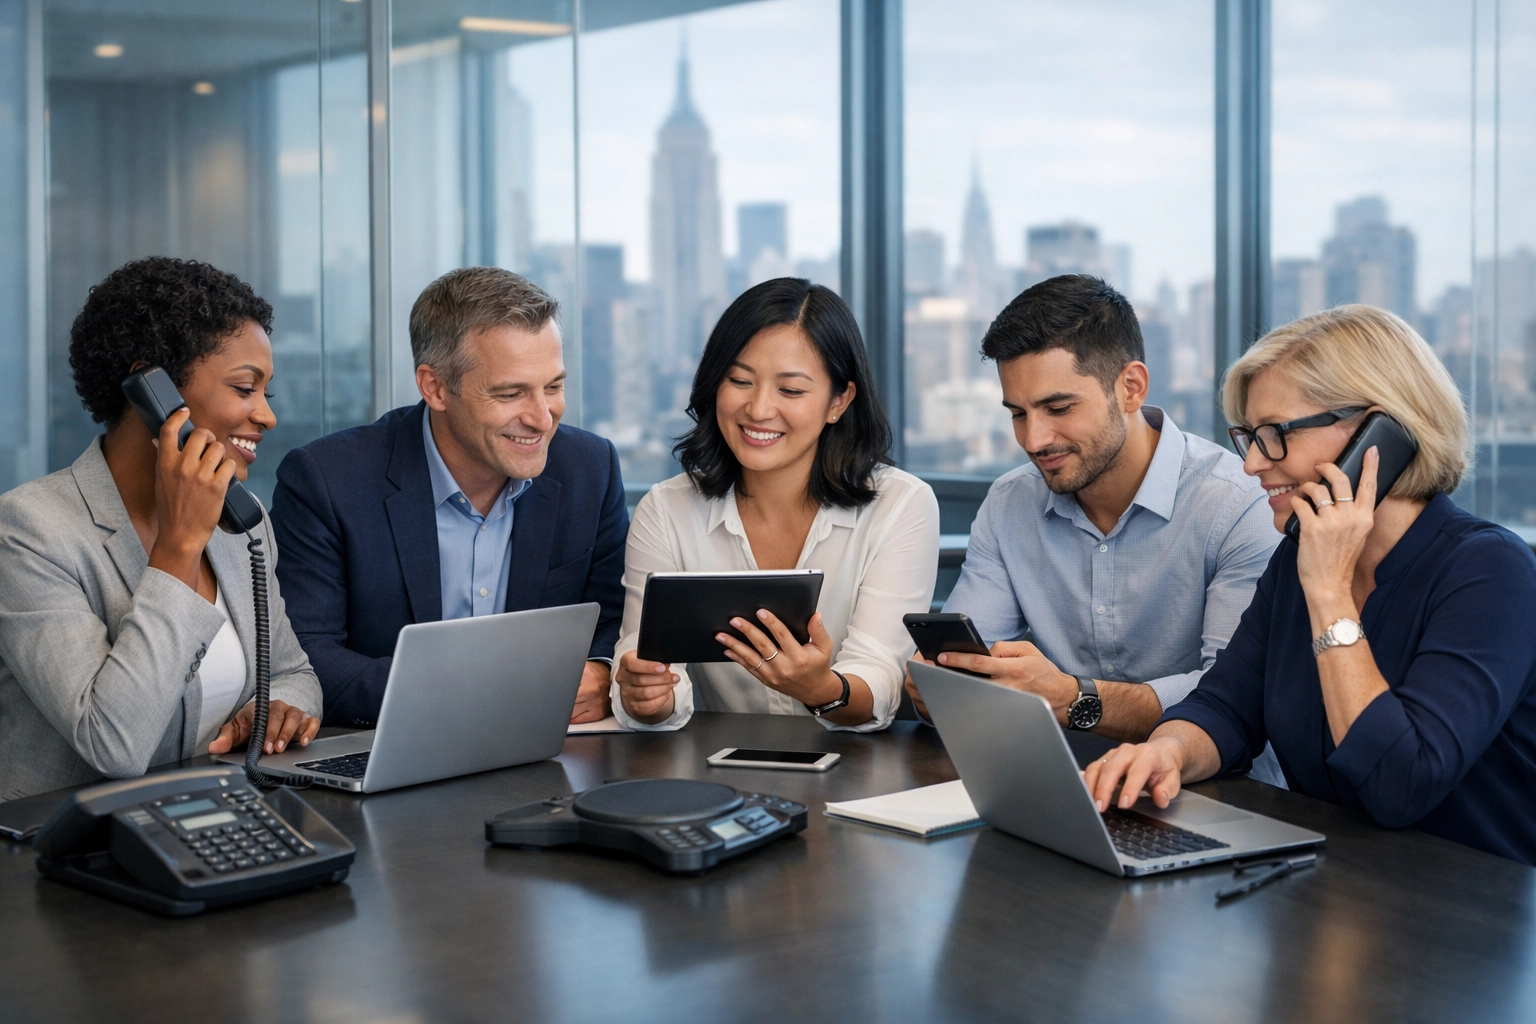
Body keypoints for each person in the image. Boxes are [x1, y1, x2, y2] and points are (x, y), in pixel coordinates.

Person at [1086, 305, 1536, 865]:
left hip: (1460, 916)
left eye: (1274, 435)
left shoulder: (1490, 571)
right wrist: (1167, 753)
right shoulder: (1297, 559)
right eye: (1248, 436)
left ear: (1379, 436)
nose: (1252, 464)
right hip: (1336, 888)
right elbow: (1226, 707)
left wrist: (1329, 593)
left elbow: (1402, 785)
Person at [905, 275, 1284, 781]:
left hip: (1217, 792)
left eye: (1059, 408)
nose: (1035, 439)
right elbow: (964, 676)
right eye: (1018, 413)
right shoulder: (1010, 503)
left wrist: (1074, 699)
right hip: (1059, 788)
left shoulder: (1238, 503)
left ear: (1130, 387)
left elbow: (1235, 698)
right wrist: (941, 686)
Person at [0, 257, 323, 800]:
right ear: (155, 390)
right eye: (245, 388)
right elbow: (113, 742)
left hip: (217, 822)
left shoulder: (243, 523)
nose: (266, 416)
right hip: (67, 857)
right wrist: (178, 545)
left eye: (267, 392)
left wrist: (280, 711)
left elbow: (295, 673)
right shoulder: (31, 531)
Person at [271, 267, 626, 727]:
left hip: (549, 759)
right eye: (511, 392)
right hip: (388, 756)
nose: (543, 418)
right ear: (435, 387)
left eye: (553, 387)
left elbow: (618, 619)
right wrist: (490, 692)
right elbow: (306, 658)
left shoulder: (589, 467)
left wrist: (602, 670)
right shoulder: (326, 480)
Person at [613, 278, 939, 731]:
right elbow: (642, 663)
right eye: (740, 381)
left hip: (854, 774)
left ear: (839, 401)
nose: (759, 408)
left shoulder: (901, 505)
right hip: (709, 774)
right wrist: (646, 697)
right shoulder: (666, 510)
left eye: (791, 391)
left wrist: (821, 689)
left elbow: (879, 678)